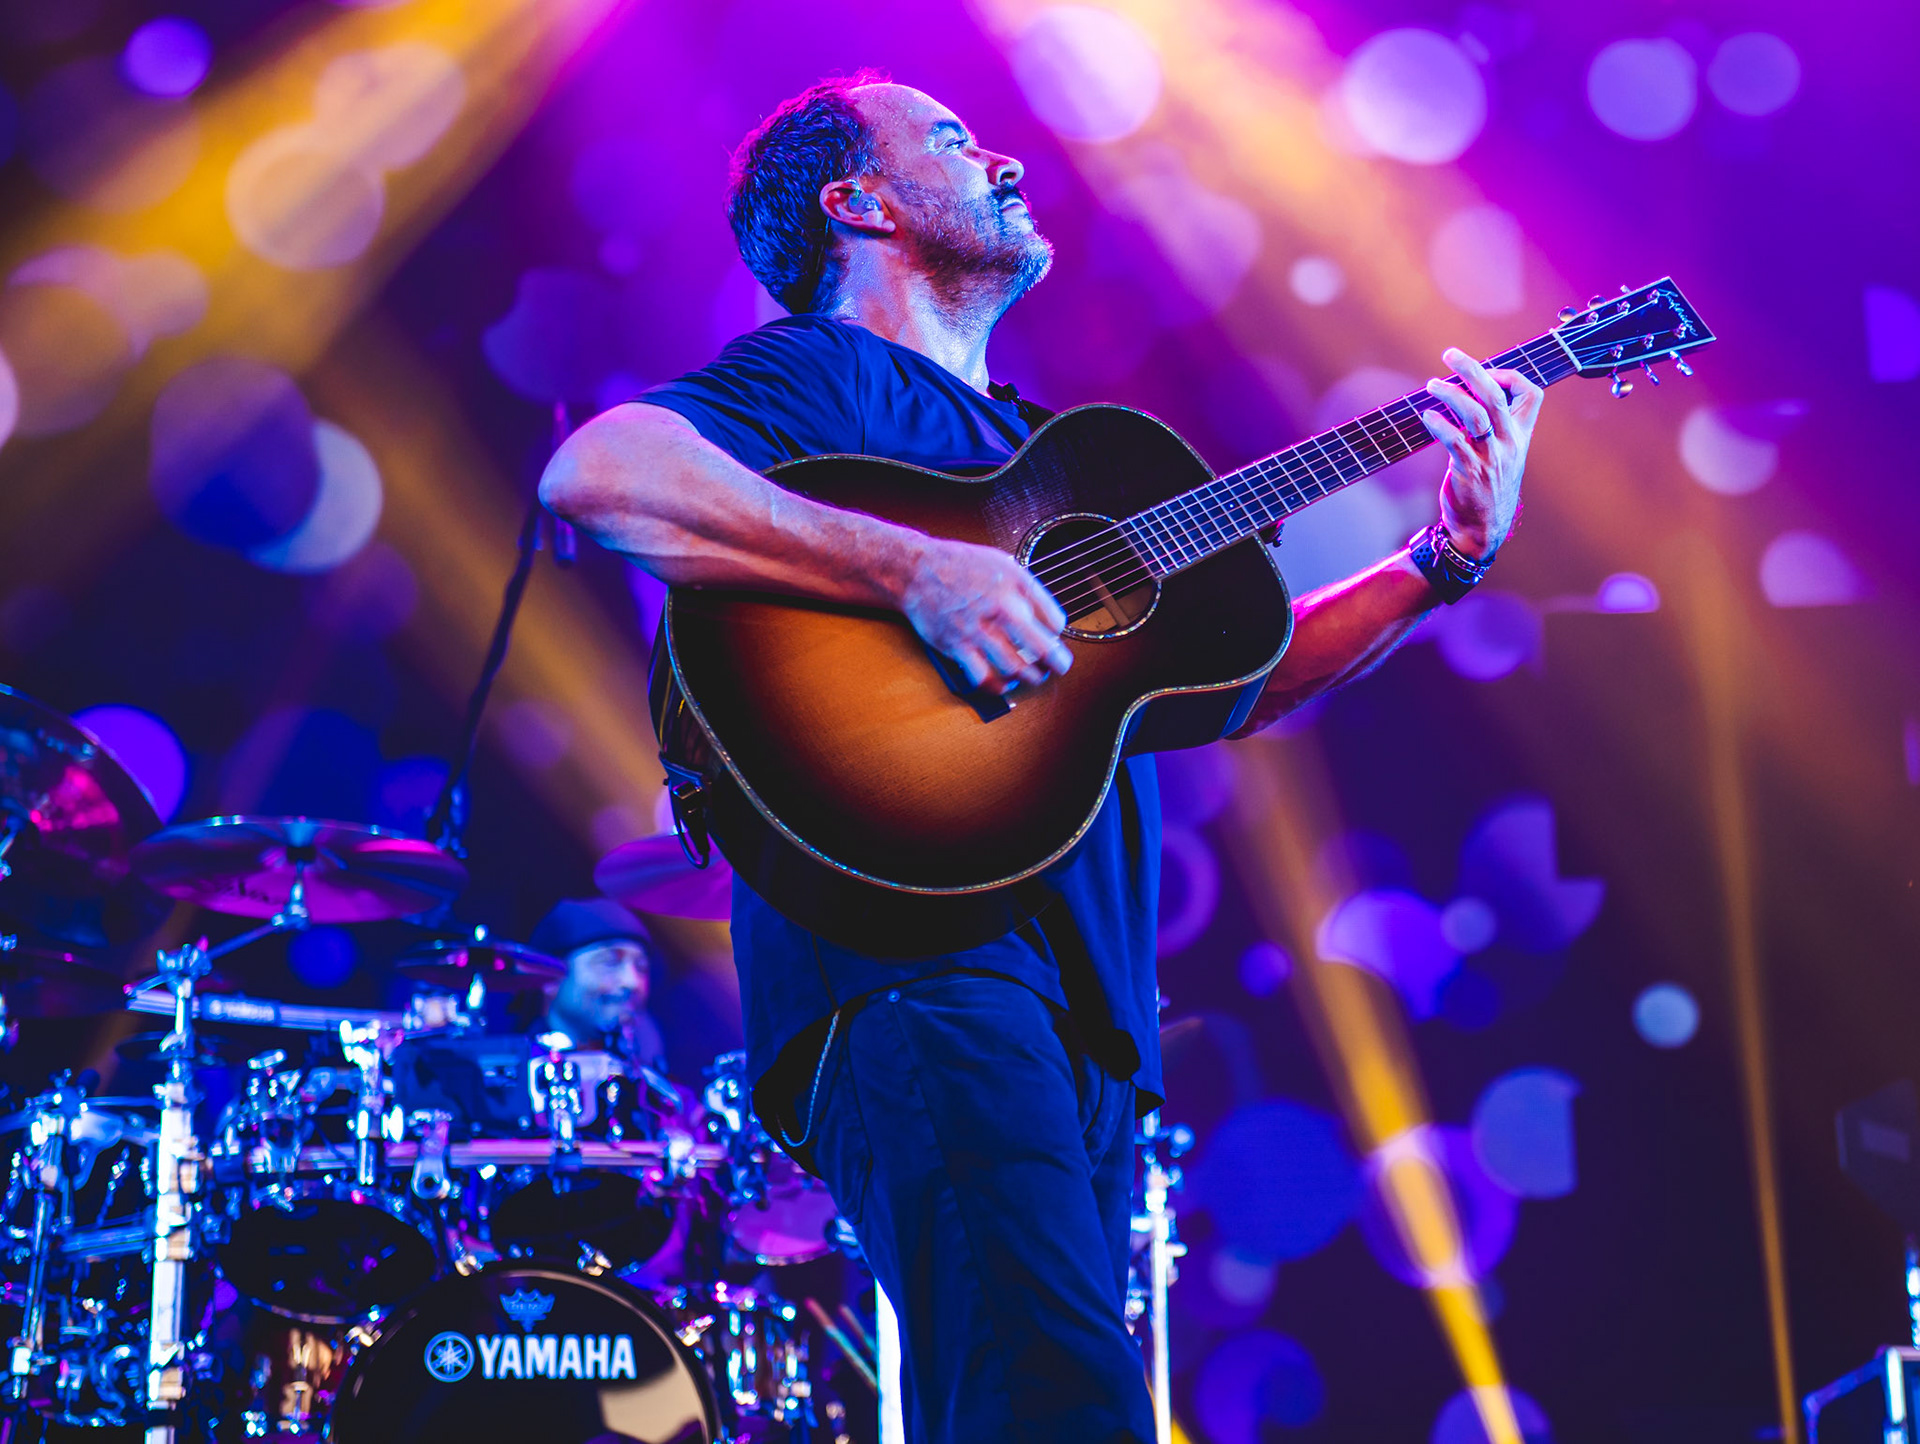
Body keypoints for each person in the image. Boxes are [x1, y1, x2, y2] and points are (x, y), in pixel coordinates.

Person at [539, 75, 1542, 1444]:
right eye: (956, 141)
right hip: (911, 960)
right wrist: (915, 570)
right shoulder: (824, 373)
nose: (1005, 159)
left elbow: (1247, 680)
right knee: (1058, 1401)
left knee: (1029, 1395)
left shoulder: (1045, 456)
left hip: (1082, 1003)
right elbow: (601, 474)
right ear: (859, 204)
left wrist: (1444, 559)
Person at [527, 897, 668, 1078]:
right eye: (610, 962)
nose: (632, 981)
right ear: (550, 978)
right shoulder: (514, 1078)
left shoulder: (651, 1081)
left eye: (641, 966)